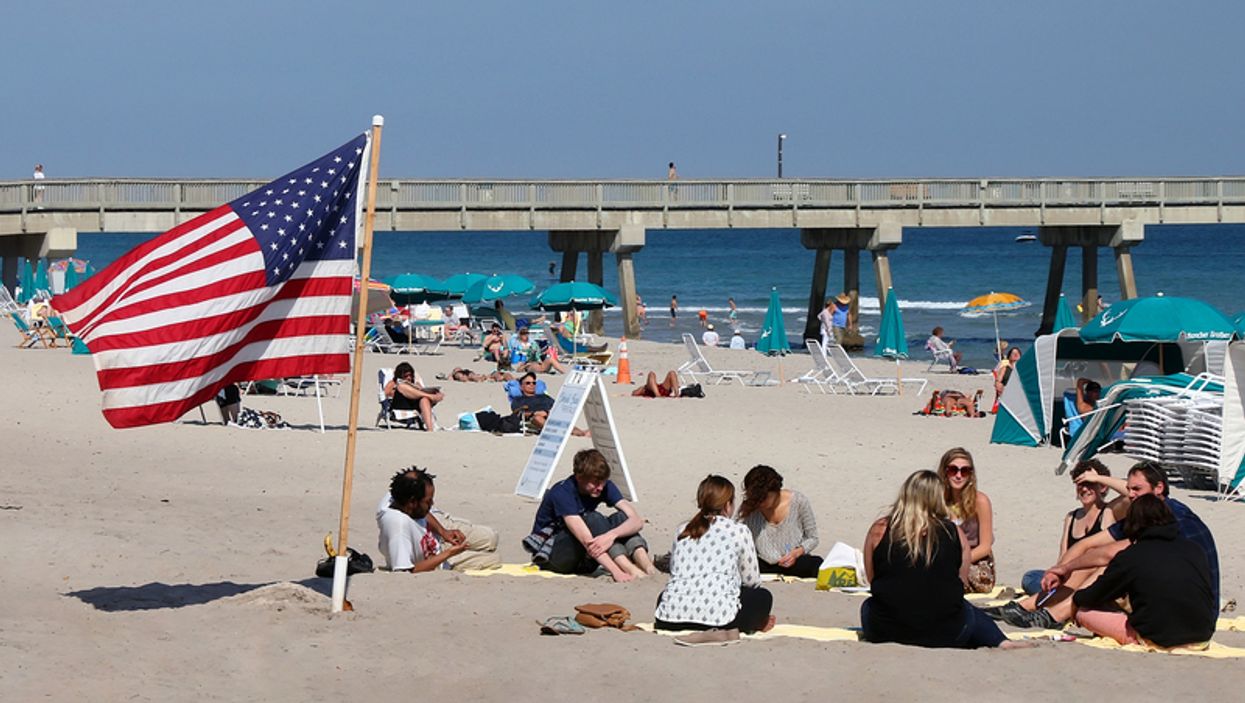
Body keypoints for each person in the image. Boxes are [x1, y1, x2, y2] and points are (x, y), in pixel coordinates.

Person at [992, 461, 1220, 630]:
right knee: (1049, 574)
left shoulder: (1175, 518)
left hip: (1183, 610)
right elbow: (1089, 545)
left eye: (1136, 490)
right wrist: (1060, 569)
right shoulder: (1146, 514)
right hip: (1175, 604)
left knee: (1095, 580)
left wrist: (1066, 571)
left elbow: (1106, 555)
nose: (1130, 495)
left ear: (1159, 488)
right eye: (1128, 489)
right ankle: (1031, 608)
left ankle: (1051, 614)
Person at [860, 470, 1025, 649]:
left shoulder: (879, 529)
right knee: (967, 609)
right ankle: (1001, 641)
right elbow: (960, 581)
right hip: (948, 633)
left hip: (885, 630)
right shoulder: (953, 532)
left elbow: (872, 577)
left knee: (869, 605)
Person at [1070, 495, 1216, 649]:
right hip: (1202, 635)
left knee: (1083, 612)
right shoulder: (1194, 549)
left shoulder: (1132, 555)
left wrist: (1076, 600)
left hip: (1157, 638)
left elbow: (1095, 594)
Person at [654, 474, 775, 643]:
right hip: (720, 618)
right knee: (763, 596)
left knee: (665, 595)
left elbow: (675, 572)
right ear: (727, 505)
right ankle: (737, 626)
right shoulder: (738, 531)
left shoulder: (683, 530)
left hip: (669, 617)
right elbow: (752, 581)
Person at [523, 449, 655, 581]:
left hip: (586, 558)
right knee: (593, 519)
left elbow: (636, 520)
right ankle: (628, 568)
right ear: (579, 477)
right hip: (553, 557)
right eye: (596, 483)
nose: (600, 488)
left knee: (621, 518)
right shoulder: (562, 492)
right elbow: (586, 540)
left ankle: (647, 566)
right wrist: (616, 572)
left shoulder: (604, 486)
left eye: (603, 482)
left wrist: (611, 535)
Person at [1018, 460, 1117, 595]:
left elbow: (1131, 493)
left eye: (1090, 484)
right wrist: (1056, 574)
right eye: (1080, 484)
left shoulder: (1109, 512)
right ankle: (1058, 595)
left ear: (1103, 487)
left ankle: (1055, 598)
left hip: (1094, 577)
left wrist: (1098, 478)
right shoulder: (1071, 517)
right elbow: (1063, 556)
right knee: (1030, 577)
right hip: (1068, 575)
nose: (1084, 489)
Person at [376, 467, 500, 572]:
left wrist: (443, 532)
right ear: (412, 502)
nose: (432, 503)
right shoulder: (397, 526)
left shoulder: (398, 496)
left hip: (436, 535)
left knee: (490, 537)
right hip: (439, 558)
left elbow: (421, 511)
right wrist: (449, 553)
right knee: (495, 559)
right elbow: (406, 571)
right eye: (428, 501)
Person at [737, 465, 822, 578]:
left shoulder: (799, 502)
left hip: (794, 560)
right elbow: (735, 534)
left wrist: (796, 553)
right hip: (762, 562)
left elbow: (813, 538)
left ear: (776, 491)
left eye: (763, 498)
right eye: (756, 499)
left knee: (817, 563)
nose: (760, 503)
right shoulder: (751, 506)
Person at [937, 448, 995, 592]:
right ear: (944, 472)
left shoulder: (980, 501)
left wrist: (956, 564)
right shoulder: (937, 500)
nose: (958, 476)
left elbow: (985, 546)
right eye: (953, 470)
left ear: (970, 475)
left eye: (964, 471)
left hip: (973, 560)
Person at [510, 371, 588, 436]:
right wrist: (534, 413)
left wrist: (548, 412)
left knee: (560, 417)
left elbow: (557, 406)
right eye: (528, 383)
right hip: (534, 420)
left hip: (551, 416)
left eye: (534, 383)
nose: (531, 385)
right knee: (537, 418)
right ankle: (566, 432)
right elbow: (517, 412)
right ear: (521, 386)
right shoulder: (518, 400)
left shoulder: (544, 397)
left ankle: (581, 433)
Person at [384, 361, 443, 431]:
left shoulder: (415, 383)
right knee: (401, 386)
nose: (409, 378)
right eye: (406, 376)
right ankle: (431, 396)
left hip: (413, 405)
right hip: (399, 404)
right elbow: (386, 394)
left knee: (424, 399)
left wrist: (418, 388)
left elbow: (422, 390)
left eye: (410, 375)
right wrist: (395, 391)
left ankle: (430, 429)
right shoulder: (393, 383)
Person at [992, 345, 1022, 412]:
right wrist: (999, 385)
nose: (1016, 354)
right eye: (1013, 353)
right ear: (1009, 357)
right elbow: (997, 381)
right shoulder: (1004, 368)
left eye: (1017, 353)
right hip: (1007, 390)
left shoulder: (1023, 369)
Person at [449, 367, 513, 383]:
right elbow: (464, 379)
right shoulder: (459, 374)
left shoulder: (461, 373)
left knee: (505, 375)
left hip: (487, 376)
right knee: (505, 375)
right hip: (486, 377)